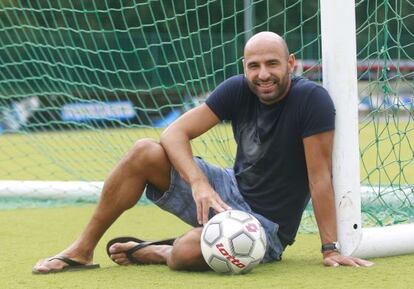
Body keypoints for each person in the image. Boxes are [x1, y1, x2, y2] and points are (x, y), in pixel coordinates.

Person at [33, 31, 373, 274]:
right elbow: (174, 133)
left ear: (291, 63)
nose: (263, 74)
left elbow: (319, 177)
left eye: (272, 64)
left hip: (265, 224)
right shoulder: (238, 89)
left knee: (183, 254)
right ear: (244, 66)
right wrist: (198, 182)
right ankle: (82, 249)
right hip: (227, 189)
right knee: (143, 152)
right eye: (254, 66)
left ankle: (159, 249)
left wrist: (330, 247)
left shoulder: (311, 100)